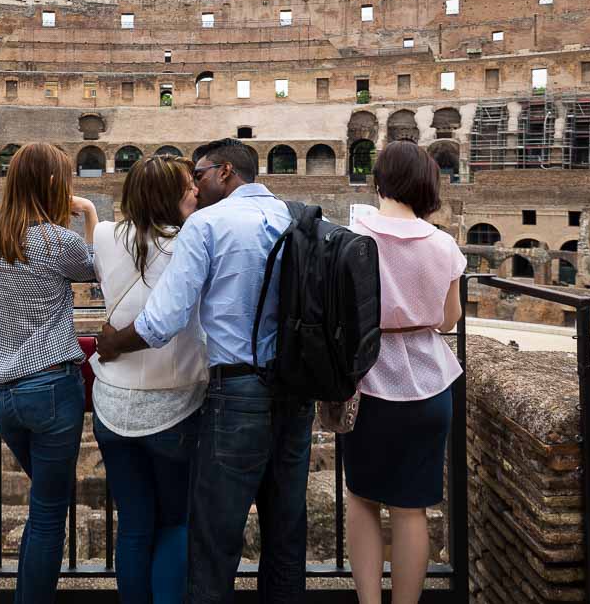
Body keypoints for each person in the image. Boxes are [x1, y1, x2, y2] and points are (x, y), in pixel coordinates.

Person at [97, 137, 316, 604]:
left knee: (215, 538)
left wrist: (113, 341)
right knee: (286, 532)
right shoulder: (297, 216)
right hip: (297, 392)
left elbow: (162, 322)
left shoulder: (207, 224)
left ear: (224, 173)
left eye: (198, 174)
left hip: (237, 392)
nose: (194, 186)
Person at [0, 142, 99, 604]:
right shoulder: (60, 241)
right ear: (57, 186)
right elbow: (99, 271)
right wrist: (90, 214)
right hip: (52, 390)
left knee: (42, 501)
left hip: (1, 392)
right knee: (47, 514)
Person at [343, 140, 466, 604]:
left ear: (378, 181)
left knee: (362, 499)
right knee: (412, 508)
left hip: (369, 383)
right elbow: (449, 318)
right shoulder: (444, 245)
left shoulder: (353, 237)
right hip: (430, 385)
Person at [89, 155, 207, 604]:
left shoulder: (103, 236)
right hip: (176, 403)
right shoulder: (191, 244)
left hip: (112, 403)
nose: (195, 191)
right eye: (186, 188)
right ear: (168, 196)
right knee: (176, 522)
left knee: (135, 526)